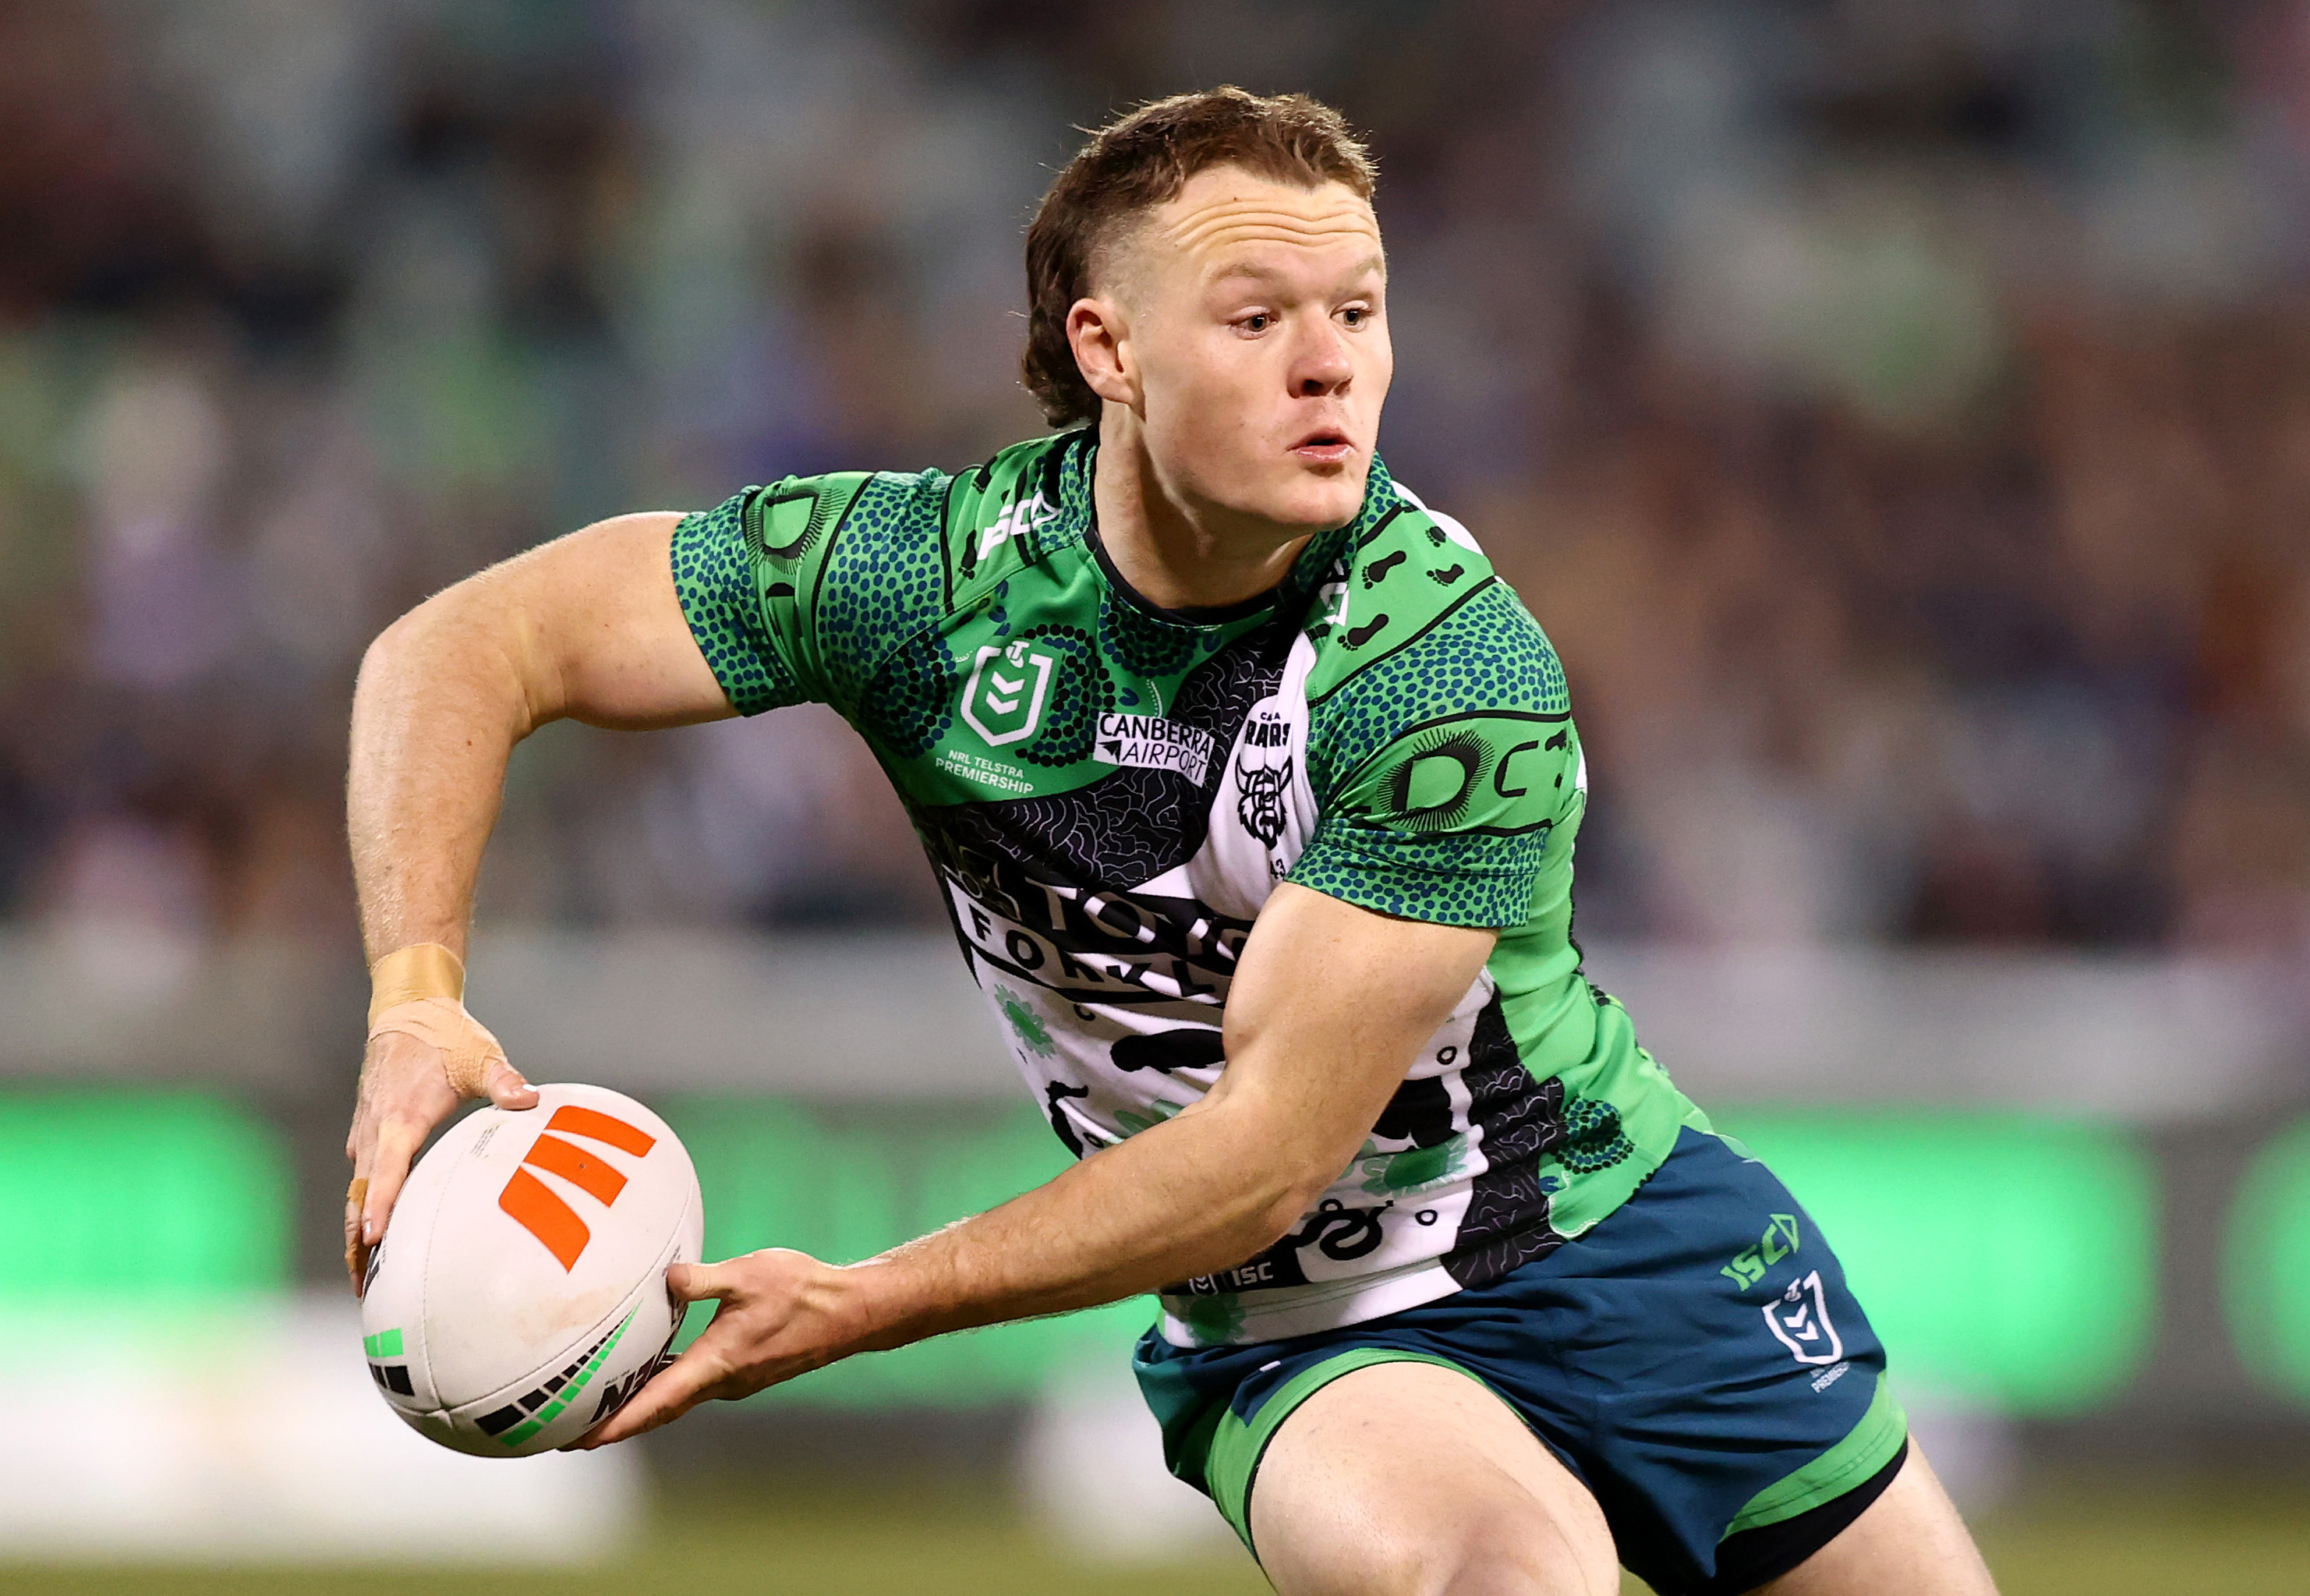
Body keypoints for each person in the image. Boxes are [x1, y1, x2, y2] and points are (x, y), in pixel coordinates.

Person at [344, 87, 1999, 1596]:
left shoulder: (1442, 667)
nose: (1330, 362)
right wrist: (417, 996)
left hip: (1624, 1234)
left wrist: (865, 1300)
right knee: (1504, 1580)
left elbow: (1267, 1148)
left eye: (1356, 311)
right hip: (1309, 1321)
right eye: (1258, 317)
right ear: (1109, 348)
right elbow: (464, 647)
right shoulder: (920, 583)